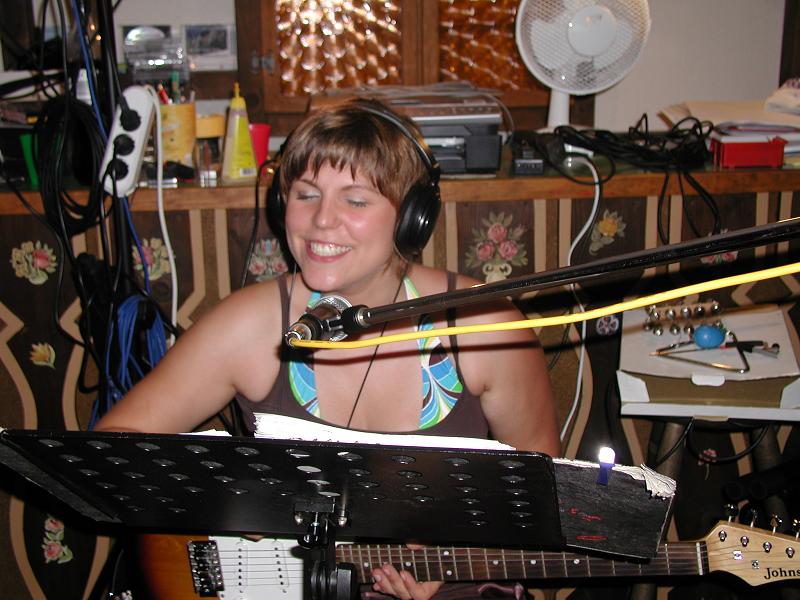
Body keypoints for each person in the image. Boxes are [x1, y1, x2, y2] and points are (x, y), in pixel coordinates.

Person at [94, 98, 560, 600]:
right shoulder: (250, 325)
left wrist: (455, 558)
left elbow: (541, 498)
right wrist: (226, 494)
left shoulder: (484, 326)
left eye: (355, 201)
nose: (321, 220)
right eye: (306, 194)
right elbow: (111, 449)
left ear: (413, 218)